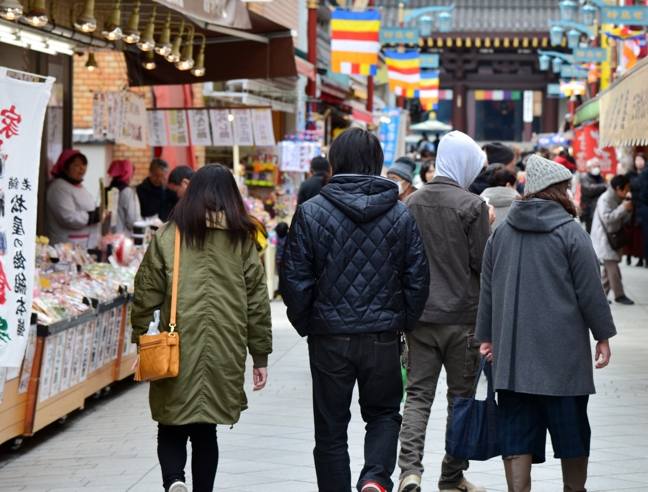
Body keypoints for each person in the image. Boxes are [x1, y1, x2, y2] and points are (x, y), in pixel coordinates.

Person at [281, 128, 429, 492]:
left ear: (335, 161)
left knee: (330, 428)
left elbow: (294, 279)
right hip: (382, 335)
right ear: (377, 163)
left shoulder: (310, 212)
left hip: (329, 336)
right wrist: (403, 322)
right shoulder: (399, 214)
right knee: (383, 413)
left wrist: (309, 323)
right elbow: (418, 279)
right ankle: (376, 478)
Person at [476, 154, 617, 492]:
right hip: (563, 358)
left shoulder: (502, 232)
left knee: (516, 430)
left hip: (512, 356)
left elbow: (488, 289)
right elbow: (591, 291)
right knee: (571, 432)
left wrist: (486, 337)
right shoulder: (571, 233)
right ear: (556, 191)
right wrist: (602, 335)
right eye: (566, 188)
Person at [130, 164, 272, 492]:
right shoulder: (242, 238)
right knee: (206, 430)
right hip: (226, 345)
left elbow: (145, 294)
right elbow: (257, 302)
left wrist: (140, 340)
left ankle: (175, 480)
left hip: (175, 345)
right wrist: (260, 355)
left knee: (170, 424)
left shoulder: (168, 235)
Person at [398, 131, 493, 492]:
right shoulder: (472, 206)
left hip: (420, 319)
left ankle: (409, 471)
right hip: (463, 320)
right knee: (461, 401)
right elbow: (483, 264)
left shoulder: (413, 203)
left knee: (418, 397)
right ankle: (451, 477)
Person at [45, 150, 104, 248]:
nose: (82, 168)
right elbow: (68, 218)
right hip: (67, 247)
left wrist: (99, 212)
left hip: (83, 245)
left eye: (84, 164)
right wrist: (93, 217)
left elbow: (87, 208)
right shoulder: (59, 188)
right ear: (65, 167)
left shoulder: (79, 186)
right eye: (77, 165)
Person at [591, 174, 634, 305]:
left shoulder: (617, 198)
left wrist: (627, 210)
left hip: (612, 237)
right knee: (613, 269)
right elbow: (607, 218)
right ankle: (619, 295)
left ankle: (599, 296)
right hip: (604, 237)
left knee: (608, 272)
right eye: (626, 188)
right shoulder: (606, 198)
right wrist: (623, 208)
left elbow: (623, 219)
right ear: (618, 188)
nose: (627, 191)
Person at [107, 159, 141, 236]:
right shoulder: (128, 192)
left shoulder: (109, 190)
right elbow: (134, 220)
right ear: (128, 175)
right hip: (123, 239)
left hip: (107, 237)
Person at [480, 166, 519, 231]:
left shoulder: (479, 203)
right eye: (514, 185)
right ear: (508, 185)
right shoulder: (520, 205)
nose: (516, 188)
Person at [578, 159, 608, 234]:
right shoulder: (585, 178)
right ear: (588, 168)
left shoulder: (600, 177)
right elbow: (589, 190)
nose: (597, 168)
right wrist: (603, 186)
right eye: (594, 166)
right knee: (590, 231)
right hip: (589, 210)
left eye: (598, 166)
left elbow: (605, 187)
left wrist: (596, 187)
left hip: (600, 209)